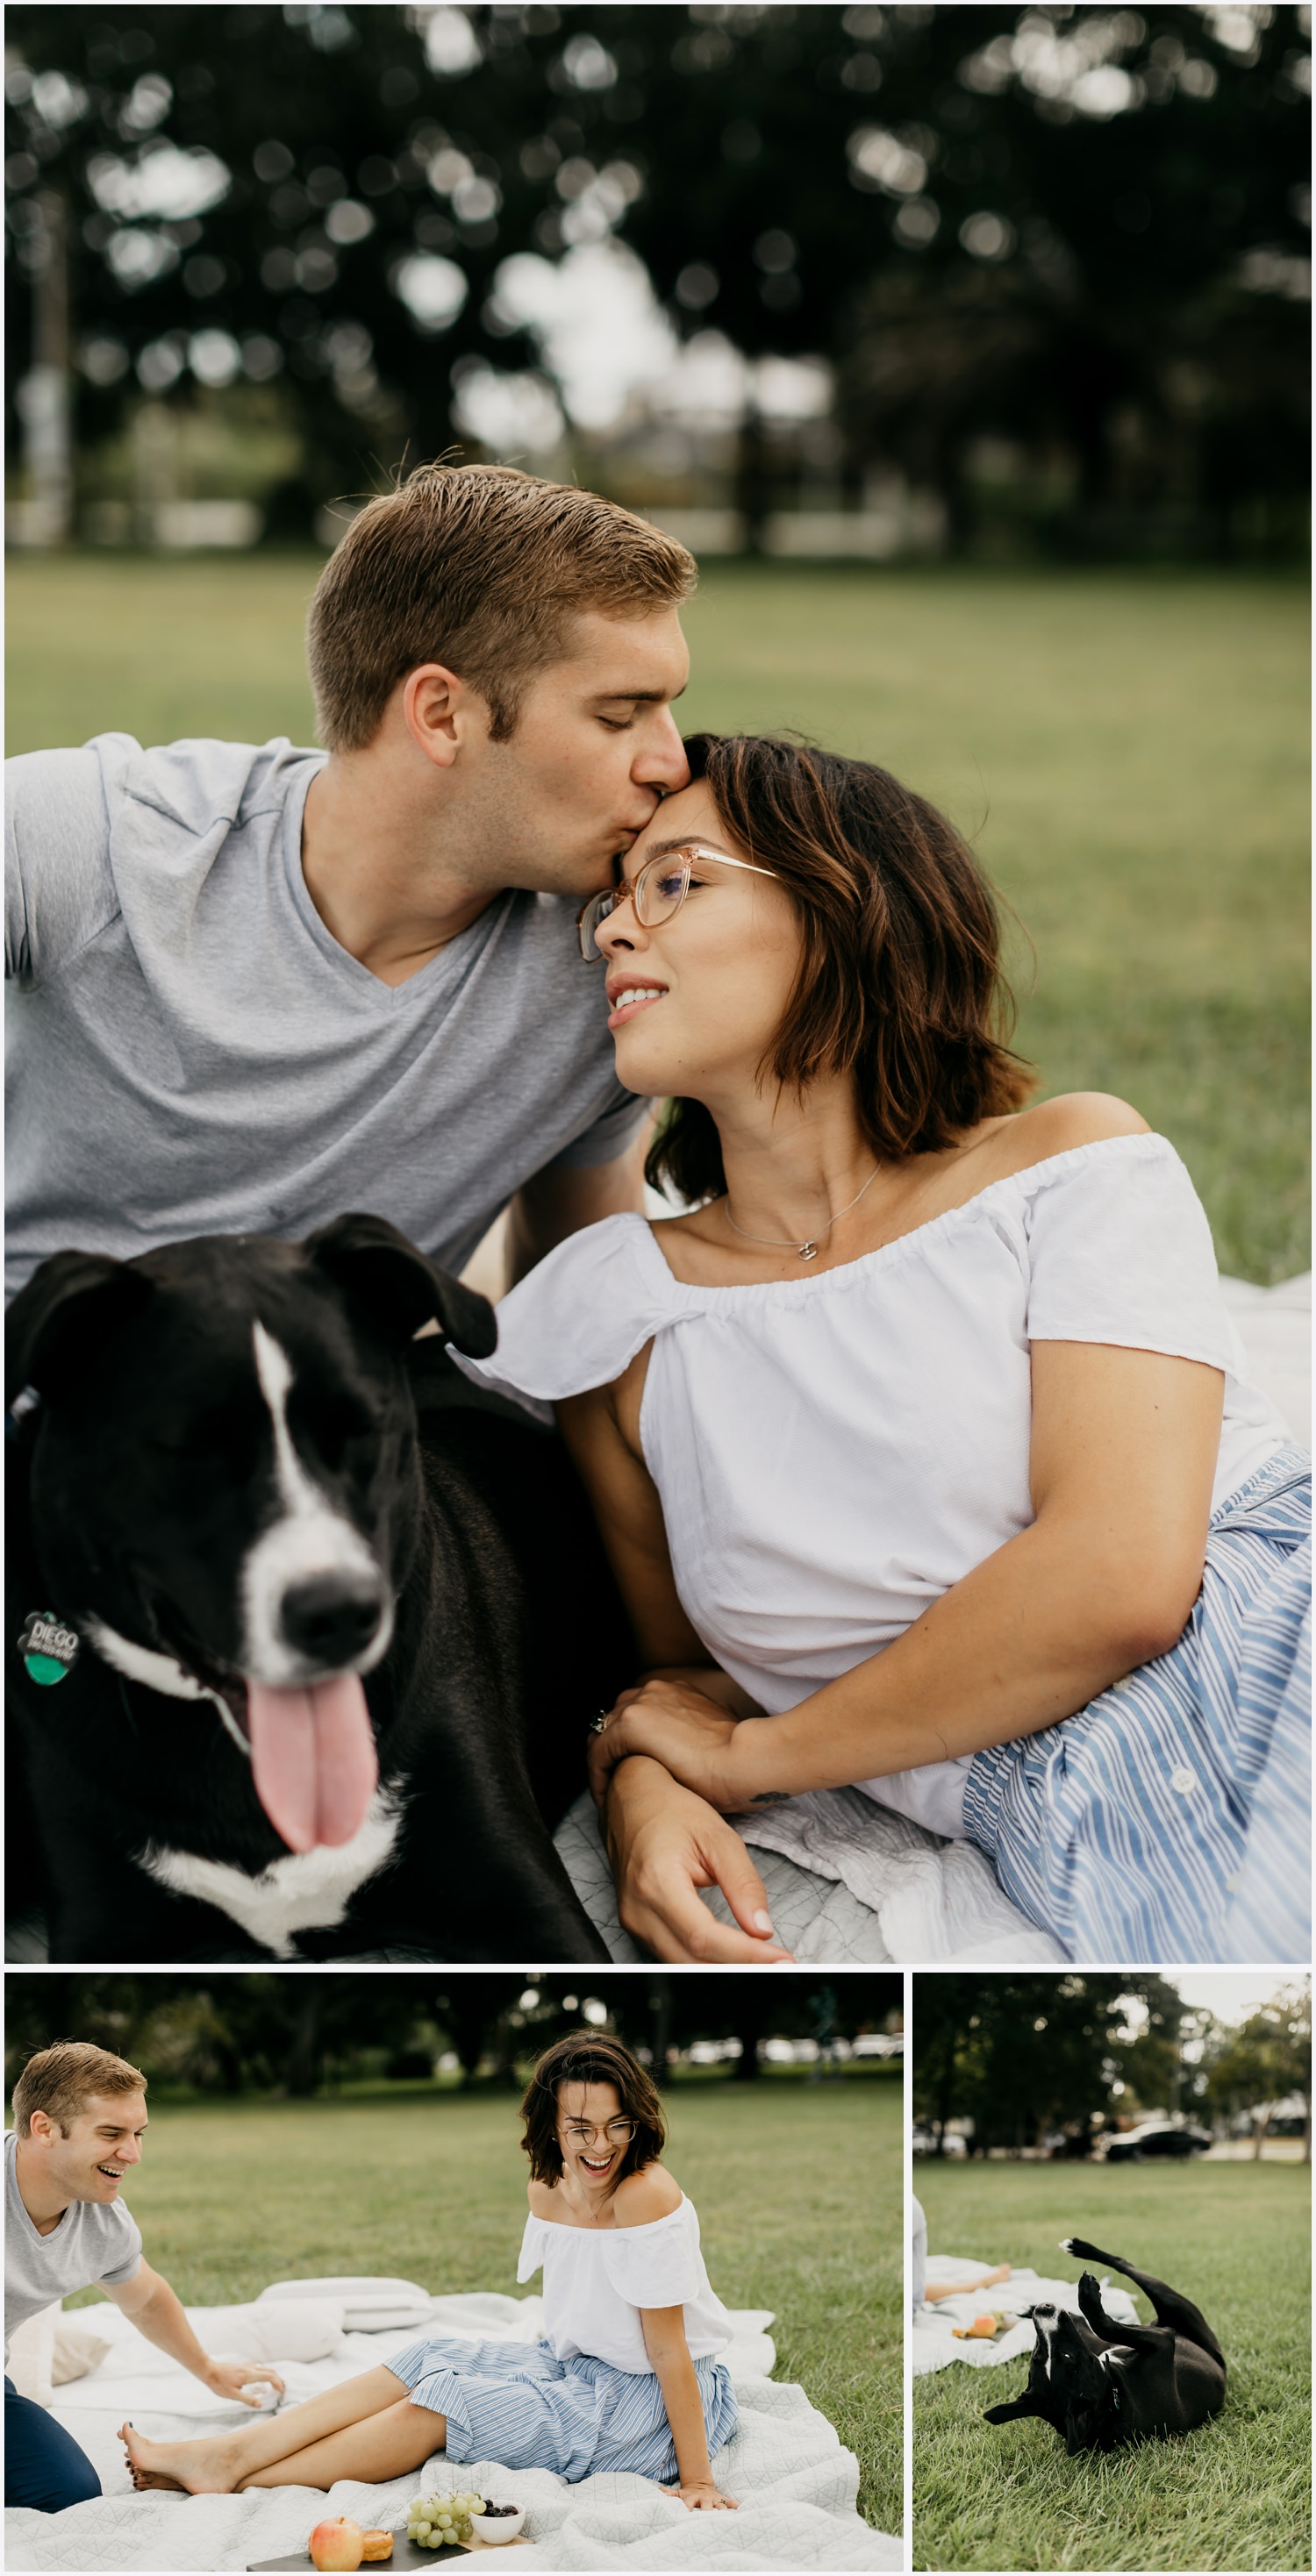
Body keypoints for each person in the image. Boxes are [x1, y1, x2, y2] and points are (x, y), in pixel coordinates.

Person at [454, 731, 1309, 1967]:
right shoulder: (625, 1323)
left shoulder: (1064, 1166)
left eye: (676, 881)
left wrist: (756, 1762)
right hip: (1069, 1816)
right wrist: (652, 1782)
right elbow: (684, 1678)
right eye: (608, 902)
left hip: (1266, 1651)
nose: (613, 933)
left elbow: (1122, 1578)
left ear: (845, 908)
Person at [4, 465, 694, 1304]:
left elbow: (572, 1299)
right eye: (620, 716)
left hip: (341, 1422)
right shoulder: (95, 840)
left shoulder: (610, 961)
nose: (671, 761)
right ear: (441, 715)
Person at [119, 2031, 740, 2511]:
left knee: (447, 2402)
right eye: (580, 2127)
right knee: (426, 2356)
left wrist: (698, 2480)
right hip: (577, 2369)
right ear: (552, 2122)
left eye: (616, 2124)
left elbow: (667, 2349)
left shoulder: (643, 2193)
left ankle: (231, 2472)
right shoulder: (546, 2188)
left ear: (637, 2119)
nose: (601, 2145)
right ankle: (229, 2455)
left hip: (648, 2402)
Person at [6, 2041, 284, 2514]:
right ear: (44, 2128)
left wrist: (208, 2369)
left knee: (66, 2492)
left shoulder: (103, 2221)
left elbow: (146, 2299)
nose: (132, 2154)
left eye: (139, 2134)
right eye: (112, 2133)